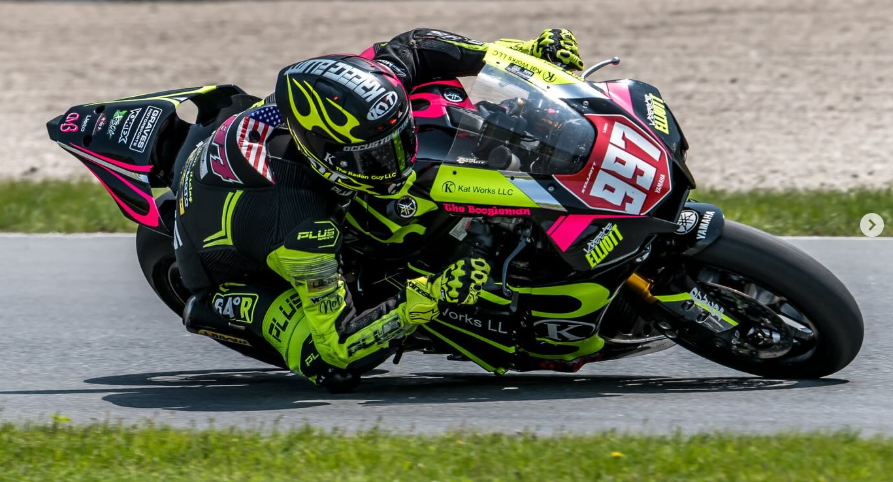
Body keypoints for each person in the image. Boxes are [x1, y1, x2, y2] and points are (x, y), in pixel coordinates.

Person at [172, 28, 585, 391]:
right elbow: (340, 345)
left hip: (254, 171)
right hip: (225, 267)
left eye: (399, 140)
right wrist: (433, 294)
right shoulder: (302, 225)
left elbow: (418, 45)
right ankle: (211, 309)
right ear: (328, 155)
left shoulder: (369, 88)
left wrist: (525, 56)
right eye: (377, 158)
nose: (400, 158)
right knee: (330, 367)